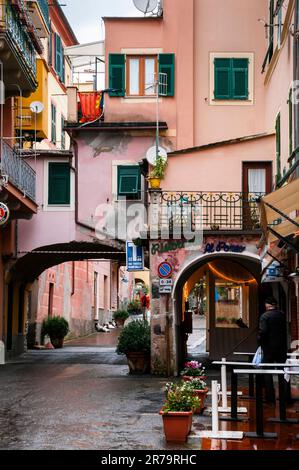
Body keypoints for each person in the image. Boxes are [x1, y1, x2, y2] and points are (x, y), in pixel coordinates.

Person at [257, 296, 287, 403]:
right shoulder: (282, 315)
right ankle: (285, 398)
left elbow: (263, 332)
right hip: (282, 348)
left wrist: (259, 340)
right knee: (282, 372)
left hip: (269, 349)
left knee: (266, 371)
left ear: (267, 305)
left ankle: (270, 397)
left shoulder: (265, 316)